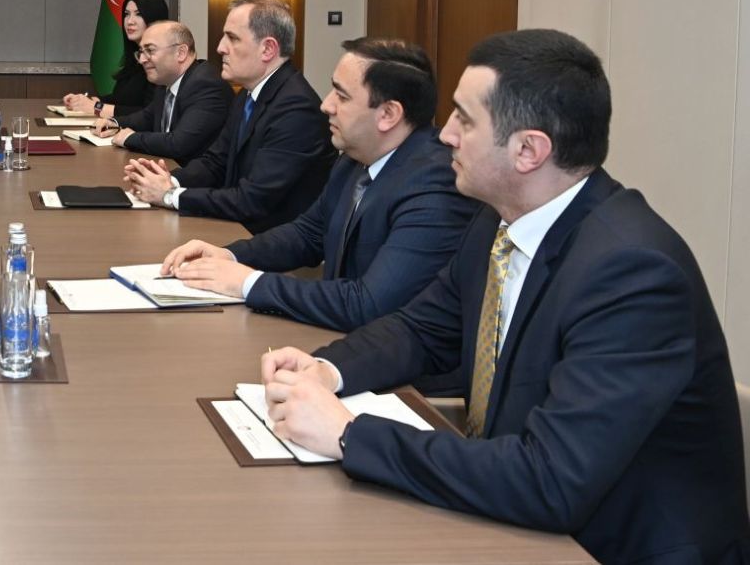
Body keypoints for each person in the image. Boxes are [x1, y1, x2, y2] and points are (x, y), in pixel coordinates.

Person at [260, 30, 750, 564]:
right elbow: (421, 329)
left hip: (609, 549)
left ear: (528, 150)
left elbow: (551, 481)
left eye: (465, 120)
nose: (445, 135)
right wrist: (325, 371)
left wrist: (350, 435)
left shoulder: (633, 273)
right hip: (524, 524)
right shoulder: (500, 222)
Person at [159, 38, 479, 335]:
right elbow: (309, 233)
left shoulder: (435, 184)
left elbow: (367, 303)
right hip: (336, 336)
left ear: (388, 114)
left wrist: (248, 283)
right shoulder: (354, 158)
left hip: (395, 366)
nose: (326, 105)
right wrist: (229, 255)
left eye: (342, 96)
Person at [125, 0, 334, 233]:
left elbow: (251, 200)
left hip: (270, 242)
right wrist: (168, 180)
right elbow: (216, 162)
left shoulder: (296, 109)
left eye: (232, 38)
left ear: (267, 49)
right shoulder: (248, 93)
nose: (220, 48)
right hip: (238, 227)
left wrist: (170, 195)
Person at [91, 20, 232, 165]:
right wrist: (113, 123)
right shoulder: (166, 81)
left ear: (181, 53)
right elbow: (147, 117)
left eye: (150, 50)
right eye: (141, 52)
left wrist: (129, 138)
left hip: (192, 175)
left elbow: (179, 144)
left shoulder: (205, 84)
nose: (142, 60)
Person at [62, 0, 168, 118]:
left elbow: (149, 114)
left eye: (138, 14)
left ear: (155, 18)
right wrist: (87, 101)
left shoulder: (161, 60)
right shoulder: (134, 57)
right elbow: (122, 100)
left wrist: (97, 107)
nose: (130, 21)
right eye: (126, 14)